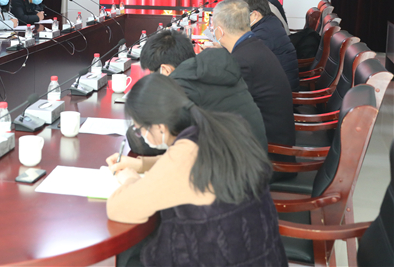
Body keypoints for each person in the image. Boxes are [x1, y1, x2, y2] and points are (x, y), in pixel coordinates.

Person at [106, 74, 287, 267]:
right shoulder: (223, 126)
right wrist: (141, 164)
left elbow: (119, 208)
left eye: (139, 129)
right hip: (265, 255)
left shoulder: (184, 157)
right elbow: (183, 164)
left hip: (221, 258)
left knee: (130, 256)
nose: (141, 135)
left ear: (159, 127)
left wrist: (131, 180)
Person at [131, 30, 267, 155]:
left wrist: (136, 126)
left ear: (165, 70)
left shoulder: (183, 85)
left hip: (234, 167)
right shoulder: (208, 69)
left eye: (153, 75)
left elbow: (151, 142)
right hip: (253, 159)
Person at [211, 0, 296, 154]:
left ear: (219, 31)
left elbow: (221, 105)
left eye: (212, 27)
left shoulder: (243, 60)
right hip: (271, 137)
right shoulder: (253, 45)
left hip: (268, 151)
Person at [241, 0, 300, 91]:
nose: (239, 19)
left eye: (241, 15)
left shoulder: (264, 33)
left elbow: (245, 61)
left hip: (278, 92)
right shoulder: (269, 22)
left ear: (255, 14)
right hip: (278, 85)